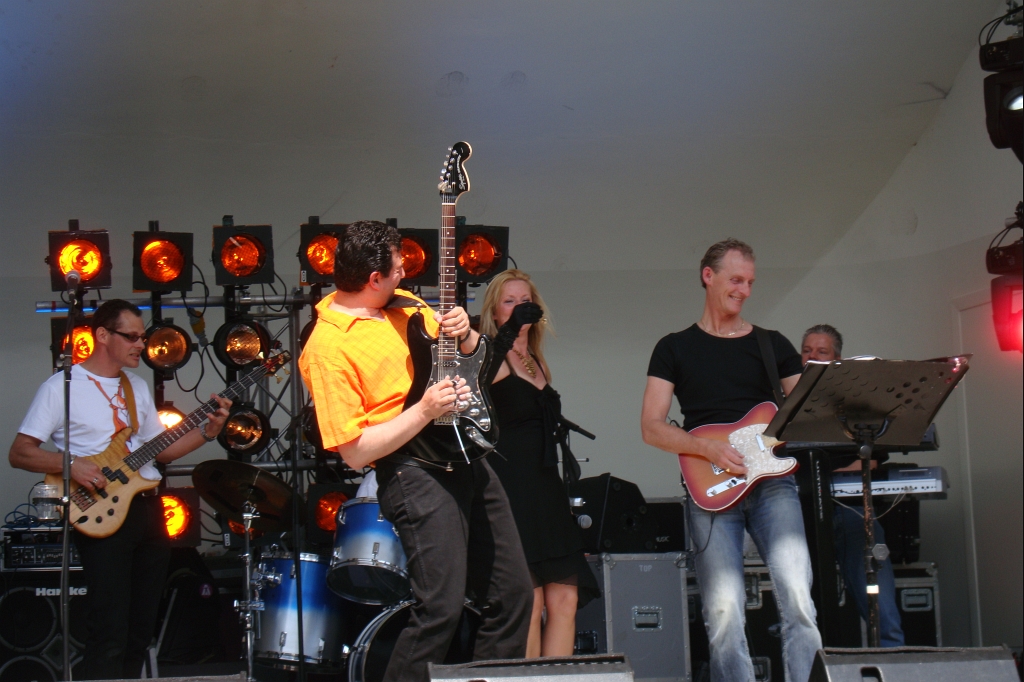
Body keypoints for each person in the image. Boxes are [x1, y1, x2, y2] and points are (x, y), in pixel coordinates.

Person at [298, 221, 532, 682]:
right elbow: (354, 452)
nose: (405, 270)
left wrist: (467, 336)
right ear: (374, 278)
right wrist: (425, 410)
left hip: (464, 453)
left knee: (513, 596)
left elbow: (488, 372)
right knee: (440, 607)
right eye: (397, 265)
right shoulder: (327, 347)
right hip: (412, 471)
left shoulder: (405, 304)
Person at [8, 299, 232, 680]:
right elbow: (20, 453)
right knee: (109, 628)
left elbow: (163, 449)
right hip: (100, 511)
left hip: (149, 509)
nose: (140, 345)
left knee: (141, 629)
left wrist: (208, 432)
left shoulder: (137, 387)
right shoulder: (62, 387)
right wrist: (71, 465)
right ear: (102, 335)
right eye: (131, 337)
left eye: (142, 337)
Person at [640, 239, 822, 682]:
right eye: (736, 279)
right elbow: (651, 427)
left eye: (750, 282)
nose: (744, 290)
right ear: (708, 276)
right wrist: (707, 448)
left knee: (799, 598)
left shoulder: (772, 344)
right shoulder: (674, 347)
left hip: (773, 483)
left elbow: (808, 411)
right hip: (712, 486)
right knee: (723, 611)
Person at [478, 269, 600, 658]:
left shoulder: (536, 361)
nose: (519, 307)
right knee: (528, 604)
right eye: (509, 301)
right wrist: (508, 332)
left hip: (546, 488)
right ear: (495, 312)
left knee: (564, 599)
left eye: (525, 300)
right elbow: (477, 381)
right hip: (511, 488)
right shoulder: (489, 354)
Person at [801, 324, 904, 647]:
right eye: (807, 351)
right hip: (801, 512)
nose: (812, 357)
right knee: (804, 613)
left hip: (849, 510)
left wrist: (822, 475)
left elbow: (869, 460)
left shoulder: (856, 402)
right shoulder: (786, 401)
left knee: (881, 610)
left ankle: (893, 660)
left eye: (822, 352)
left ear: (837, 359)